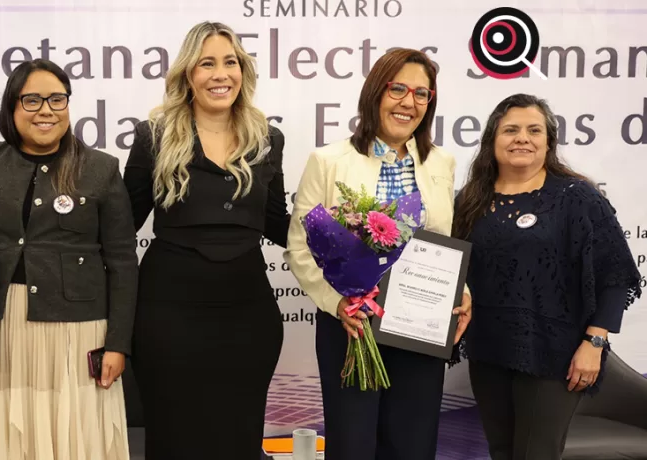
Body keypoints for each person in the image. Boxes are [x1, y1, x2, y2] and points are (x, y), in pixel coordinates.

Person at [0, 58, 137, 460]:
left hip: (77, 332)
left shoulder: (100, 168)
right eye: (33, 100)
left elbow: (124, 263)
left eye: (57, 99)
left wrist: (118, 345)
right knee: (3, 438)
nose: (46, 110)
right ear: (12, 108)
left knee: (74, 436)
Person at [284, 48, 472, 460]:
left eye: (422, 94)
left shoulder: (441, 162)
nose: (409, 102)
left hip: (421, 325)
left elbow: (442, 238)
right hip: (352, 325)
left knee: (412, 443)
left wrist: (462, 290)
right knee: (352, 444)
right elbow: (300, 245)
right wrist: (338, 304)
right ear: (375, 93)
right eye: (398, 89)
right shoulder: (329, 160)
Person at [123, 21, 289, 459]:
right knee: (174, 437)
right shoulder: (153, 137)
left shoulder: (268, 139)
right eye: (207, 64)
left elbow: (278, 223)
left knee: (239, 435)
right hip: (168, 315)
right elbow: (121, 226)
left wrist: (347, 240)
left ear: (243, 71)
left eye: (230, 62)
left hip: (247, 315)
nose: (221, 74)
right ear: (188, 75)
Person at [452, 94, 640, 460]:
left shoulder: (577, 197)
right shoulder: (468, 201)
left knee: (536, 454)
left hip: (555, 354)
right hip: (488, 352)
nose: (522, 138)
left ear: (549, 142)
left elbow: (617, 276)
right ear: (492, 140)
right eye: (510, 130)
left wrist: (595, 343)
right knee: (502, 452)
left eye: (533, 130)